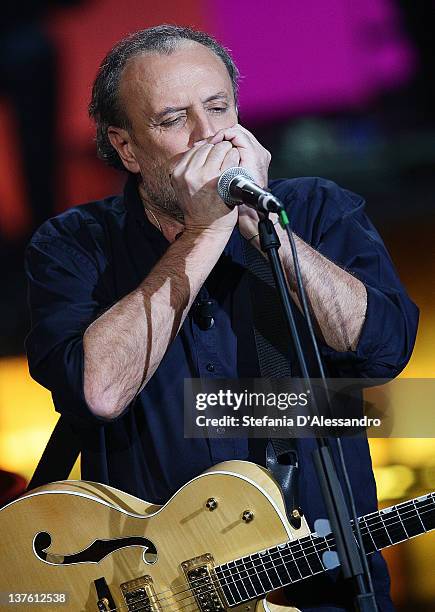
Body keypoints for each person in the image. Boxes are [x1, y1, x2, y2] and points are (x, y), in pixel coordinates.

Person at [25, 25, 418, 611]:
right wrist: (206, 229)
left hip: (324, 595)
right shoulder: (75, 245)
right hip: (154, 591)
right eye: (172, 120)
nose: (209, 136)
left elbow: (383, 350)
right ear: (126, 147)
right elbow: (99, 392)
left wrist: (264, 229)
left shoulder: (315, 210)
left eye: (218, 108)